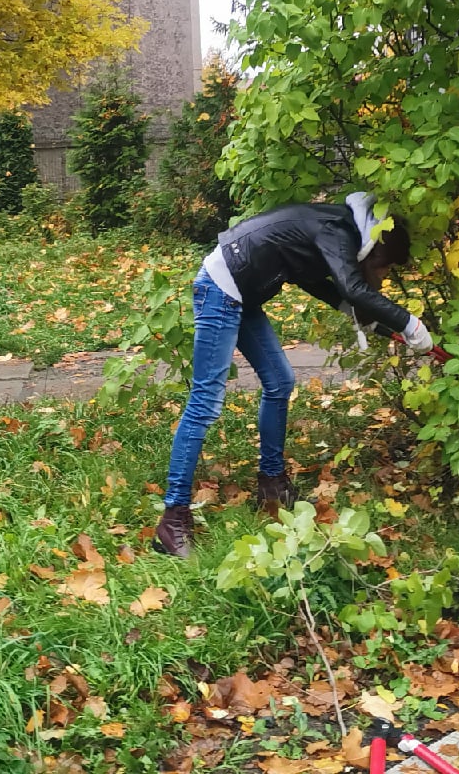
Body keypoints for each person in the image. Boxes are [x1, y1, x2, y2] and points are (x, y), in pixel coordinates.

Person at [155, 192, 433, 558]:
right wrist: (409, 322)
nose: (383, 275)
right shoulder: (337, 230)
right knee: (205, 401)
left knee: (280, 381)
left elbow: (322, 286)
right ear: (378, 248)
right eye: (386, 267)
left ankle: (272, 485)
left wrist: (385, 328)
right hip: (220, 289)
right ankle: (173, 518)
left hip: (242, 293)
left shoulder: (336, 228)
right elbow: (353, 288)